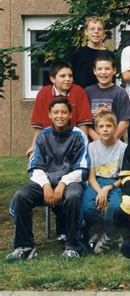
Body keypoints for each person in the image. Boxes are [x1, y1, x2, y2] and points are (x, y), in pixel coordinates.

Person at [7, 98, 89, 261]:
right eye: (56, 112)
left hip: (71, 182)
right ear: (49, 115)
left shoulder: (79, 135)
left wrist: (62, 184)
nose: (60, 116)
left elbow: (82, 167)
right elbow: (34, 166)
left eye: (64, 112)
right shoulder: (42, 136)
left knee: (73, 196)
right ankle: (25, 246)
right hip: (45, 182)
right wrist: (45, 185)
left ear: (70, 114)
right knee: (21, 196)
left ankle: (73, 246)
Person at [82, 110, 127, 253]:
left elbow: (123, 177)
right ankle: (104, 231)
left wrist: (107, 189)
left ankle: (110, 235)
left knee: (113, 207)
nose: (105, 129)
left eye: (109, 126)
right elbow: (91, 176)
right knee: (88, 207)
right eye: (101, 126)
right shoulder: (92, 147)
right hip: (97, 183)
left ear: (115, 127)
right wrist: (100, 191)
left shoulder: (123, 148)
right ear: (96, 129)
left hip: (115, 183)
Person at [27, 60, 93, 157]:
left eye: (70, 76)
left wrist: (81, 146)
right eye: (63, 76)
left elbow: (83, 125)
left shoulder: (79, 92)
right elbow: (38, 126)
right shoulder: (43, 93)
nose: (67, 79)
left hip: (72, 141)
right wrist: (34, 146)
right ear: (53, 79)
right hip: (49, 142)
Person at [85, 54, 130, 141]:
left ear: (114, 70)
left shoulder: (120, 93)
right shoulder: (88, 92)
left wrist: (111, 140)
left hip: (115, 142)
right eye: (99, 69)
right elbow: (84, 121)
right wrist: (97, 139)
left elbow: (125, 121)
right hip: (93, 143)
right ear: (94, 71)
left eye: (107, 69)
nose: (103, 72)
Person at [70, 16, 115, 89]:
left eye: (99, 29)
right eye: (92, 29)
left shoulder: (110, 55)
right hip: (83, 96)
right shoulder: (77, 54)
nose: (96, 31)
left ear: (103, 33)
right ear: (86, 32)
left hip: (104, 96)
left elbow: (112, 81)